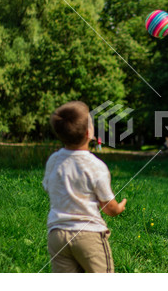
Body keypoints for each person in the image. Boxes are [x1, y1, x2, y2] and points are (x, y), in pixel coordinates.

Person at [43, 101, 127, 272]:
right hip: (89, 235)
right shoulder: (95, 166)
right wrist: (118, 208)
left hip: (57, 234)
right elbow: (109, 208)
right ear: (89, 133)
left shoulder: (53, 161)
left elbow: (48, 187)